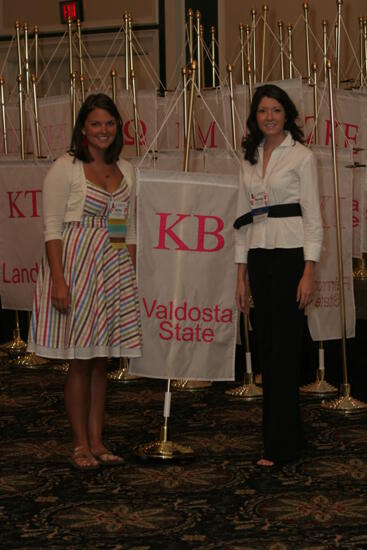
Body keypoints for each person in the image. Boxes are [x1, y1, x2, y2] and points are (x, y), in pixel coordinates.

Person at [28, 93, 142, 470]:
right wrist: (58, 280)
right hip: (75, 267)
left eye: (109, 123)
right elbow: (51, 229)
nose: (103, 130)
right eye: (95, 123)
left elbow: (125, 227)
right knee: (79, 360)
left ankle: (97, 440)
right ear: (82, 128)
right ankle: (79, 444)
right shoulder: (66, 167)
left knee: (100, 359)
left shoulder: (127, 169)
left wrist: (129, 271)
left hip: (111, 269)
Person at [234, 84, 323, 467]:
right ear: (255, 117)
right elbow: (241, 218)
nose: (269, 116)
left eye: (275, 110)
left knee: (285, 352)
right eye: (262, 111)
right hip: (258, 257)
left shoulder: (303, 157)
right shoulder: (249, 158)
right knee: (268, 352)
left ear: (287, 114)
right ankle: (282, 438)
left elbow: (314, 219)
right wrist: (241, 276)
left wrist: (309, 271)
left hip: (291, 259)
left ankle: (280, 445)